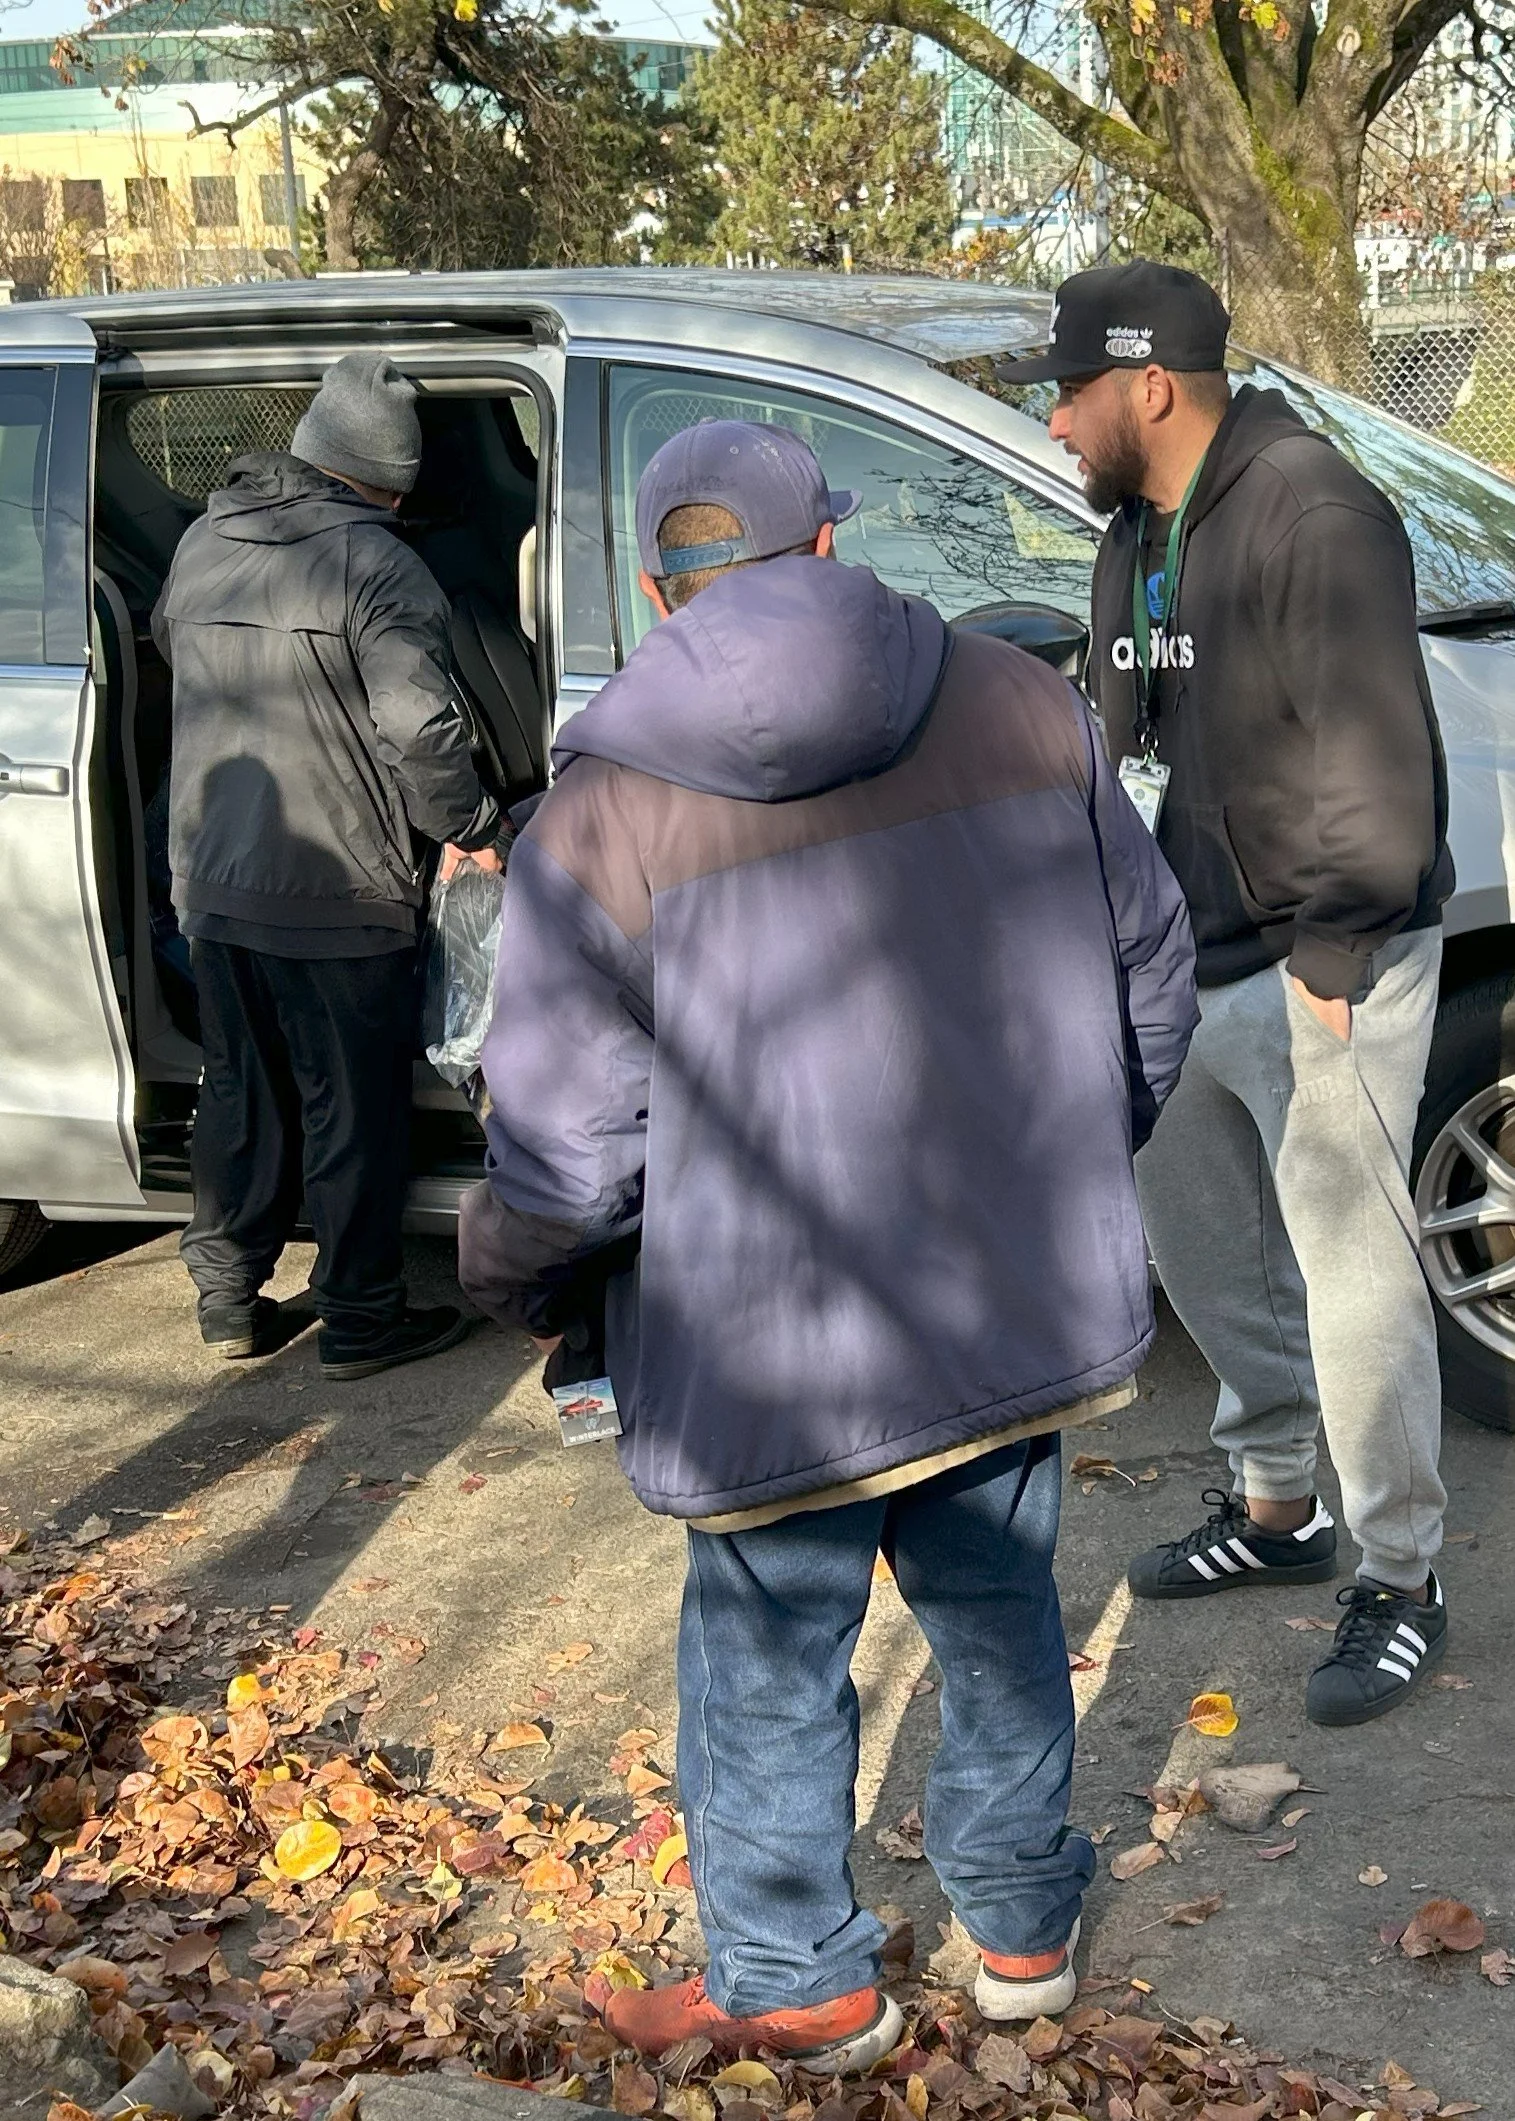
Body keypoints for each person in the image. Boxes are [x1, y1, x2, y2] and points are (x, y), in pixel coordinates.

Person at [459, 419, 1197, 2065]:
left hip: (766, 1343)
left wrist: (518, 1286)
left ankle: (800, 1979)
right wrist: (1063, 1172)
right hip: (1005, 1301)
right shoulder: (1024, 701)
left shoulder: (603, 810)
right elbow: (1153, 971)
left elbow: (571, 1157)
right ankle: (1020, 1937)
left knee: (769, 1657)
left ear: (661, 590)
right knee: (1000, 1612)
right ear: (826, 551)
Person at [1005, 259, 1455, 1726]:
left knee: (1349, 1277)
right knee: (1201, 1249)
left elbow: (1377, 755)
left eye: (1067, 393)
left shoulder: (1308, 510)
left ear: (1144, 384)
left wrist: (1334, 953)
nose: (1055, 423)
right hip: (1176, 955)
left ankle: (1397, 1575)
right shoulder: (1133, 528)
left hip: (1319, 960)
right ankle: (1278, 1512)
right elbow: (1124, 731)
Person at [154, 350, 503, 1380]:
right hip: (339, 891)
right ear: (393, 479)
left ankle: (225, 1291)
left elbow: (177, 655)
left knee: (239, 1087)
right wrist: (473, 822)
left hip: (214, 878)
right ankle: (359, 1318)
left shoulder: (205, 538)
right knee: (349, 1109)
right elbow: (421, 730)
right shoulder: (378, 565)